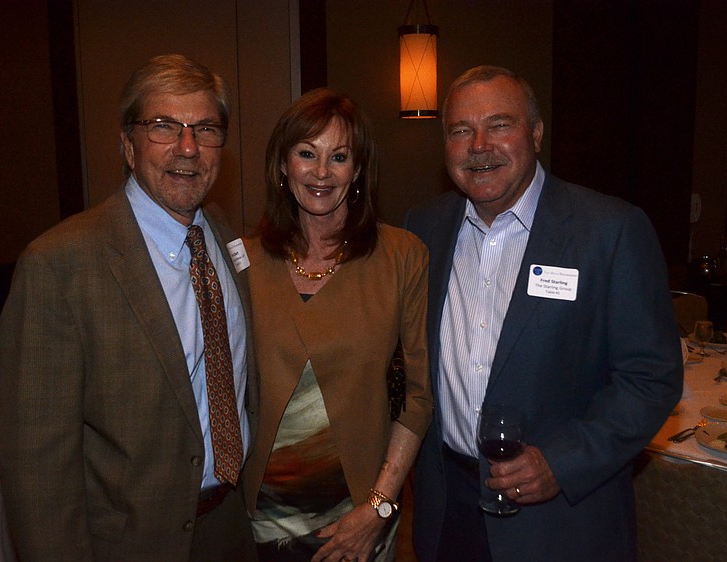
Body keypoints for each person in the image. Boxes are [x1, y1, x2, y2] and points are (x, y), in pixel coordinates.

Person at [404, 66, 683, 561]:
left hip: (561, 526)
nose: (479, 144)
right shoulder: (422, 229)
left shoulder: (609, 230)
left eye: (500, 124)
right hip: (447, 511)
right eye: (461, 130)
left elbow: (652, 377)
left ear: (535, 133)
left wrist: (562, 462)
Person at [0, 54, 257, 561]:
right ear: (127, 145)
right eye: (163, 126)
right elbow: (37, 476)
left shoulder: (221, 233)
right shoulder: (59, 264)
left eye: (205, 128)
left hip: (231, 529)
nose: (187, 147)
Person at [242, 88, 432, 562]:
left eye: (339, 156)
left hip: (359, 516)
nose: (322, 172)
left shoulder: (402, 256)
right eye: (307, 153)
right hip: (257, 520)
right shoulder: (242, 261)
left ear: (359, 169)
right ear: (283, 165)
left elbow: (419, 396)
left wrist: (379, 506)